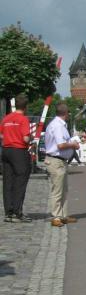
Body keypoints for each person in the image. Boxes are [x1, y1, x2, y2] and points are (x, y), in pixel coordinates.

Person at [43, 102, 80, 227]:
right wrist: (73, 144)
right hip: (56, 160)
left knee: (63, 189)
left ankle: (63, 215)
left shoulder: (58, 124)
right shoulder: (58, 126)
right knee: (57, 190)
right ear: (66, 113)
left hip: (60, 161)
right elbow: (60, 145)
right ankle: (56, 217)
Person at [1, 95, 33, 223]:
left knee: (8, 182)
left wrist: (9, 137)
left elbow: (1, 135)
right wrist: (30, 140)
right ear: (25, 107)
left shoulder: (6, 118)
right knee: (20, 181)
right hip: (19, 151)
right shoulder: (23, 119)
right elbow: (25, 138)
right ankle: (17, 212)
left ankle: (8, 213)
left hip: (6, 150)